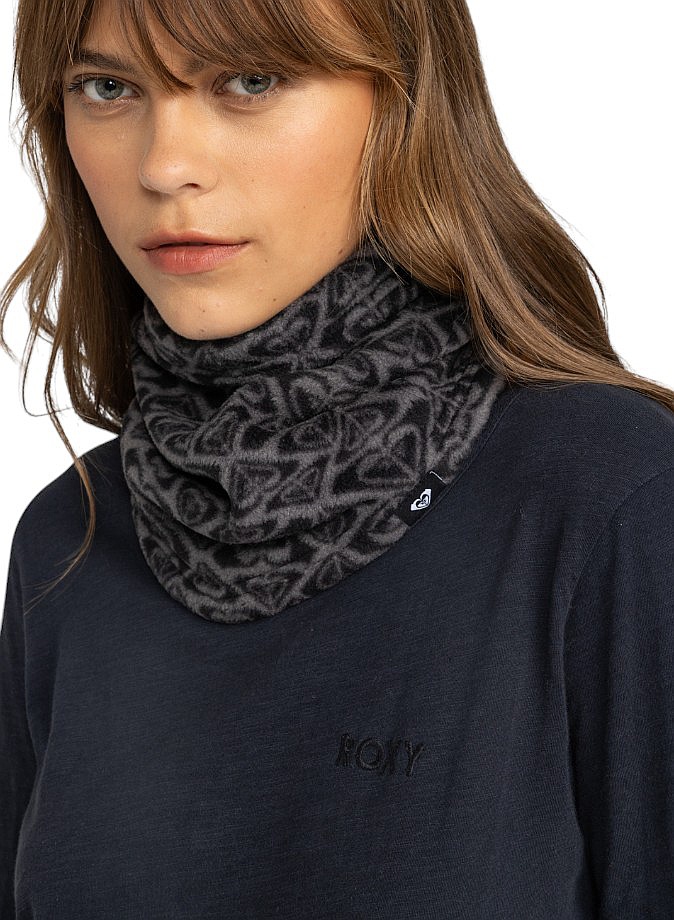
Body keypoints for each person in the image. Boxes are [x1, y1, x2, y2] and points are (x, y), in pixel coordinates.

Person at [1, 0, 672, 916]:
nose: (164, 165)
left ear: (406, 106)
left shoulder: (611, 497)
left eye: (251, 80)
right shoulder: (67, 541)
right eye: (107, 88)